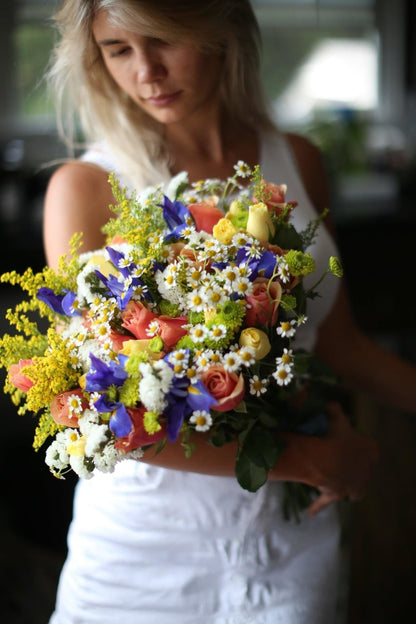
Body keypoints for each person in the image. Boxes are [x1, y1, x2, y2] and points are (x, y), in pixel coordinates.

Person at [42, 1, 413, 622]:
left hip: (295, 543)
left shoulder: (298, 160)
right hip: (143, 547)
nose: (147, 73)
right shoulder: (85, 186)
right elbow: (90, 411)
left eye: (162, 41)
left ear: (221, 30)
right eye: (119, 50)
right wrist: (310, 459)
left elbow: (341, 344)